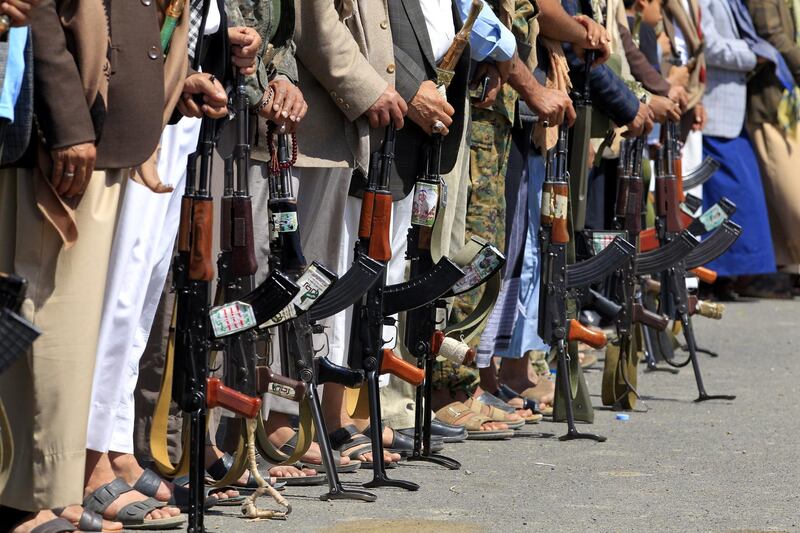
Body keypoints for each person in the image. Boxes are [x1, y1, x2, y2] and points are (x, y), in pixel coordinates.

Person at [0, 0, 222, 530]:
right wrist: (70, 123)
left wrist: (165, 95)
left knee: (69, 329)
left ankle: (42, 492)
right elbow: (46, 21)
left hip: (108, 143)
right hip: (67, 139)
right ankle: (31, 498)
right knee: (45, 323)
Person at [695, 0, 775, 285]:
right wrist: (754, 56)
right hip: (714, 111)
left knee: (738, 198)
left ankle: (731, 272)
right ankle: (715, 272)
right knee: (725, 197)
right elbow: (708, 45)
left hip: (730, 112)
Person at [746, 0, 800, 289]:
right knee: (790, 194)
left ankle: (785, 269)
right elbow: (770, 33)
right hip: (770, 102)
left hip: (788, 103)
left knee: (780, 196)